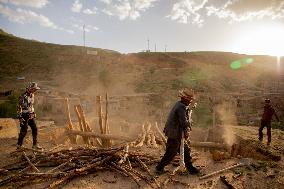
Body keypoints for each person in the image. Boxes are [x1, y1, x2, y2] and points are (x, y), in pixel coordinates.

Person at [155, 88, 199, 175]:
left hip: (177, 132)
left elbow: (184, 118)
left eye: (191, 100)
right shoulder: (181, 107)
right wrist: (190, 123)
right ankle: (159, 168)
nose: (190, 102)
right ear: (184, 99)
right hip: (174, 133)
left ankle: (191, 169)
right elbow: (184, 123)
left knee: (186, 151)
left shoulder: (180, 105)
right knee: (171, 153)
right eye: (189, 100)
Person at [16, 82, 42, 150]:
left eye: (35, 89)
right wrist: (20, 117)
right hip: (24, 115)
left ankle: (35, 145)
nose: (35, 91)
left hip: (31, 115)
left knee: (35, 129)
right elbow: (19, 107)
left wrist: (33, 112)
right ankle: (19, 145)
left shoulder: (32, 95)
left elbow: (31, 105)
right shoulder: (23, 96)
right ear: (30, 89)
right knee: (24, 131)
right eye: (34, 89)